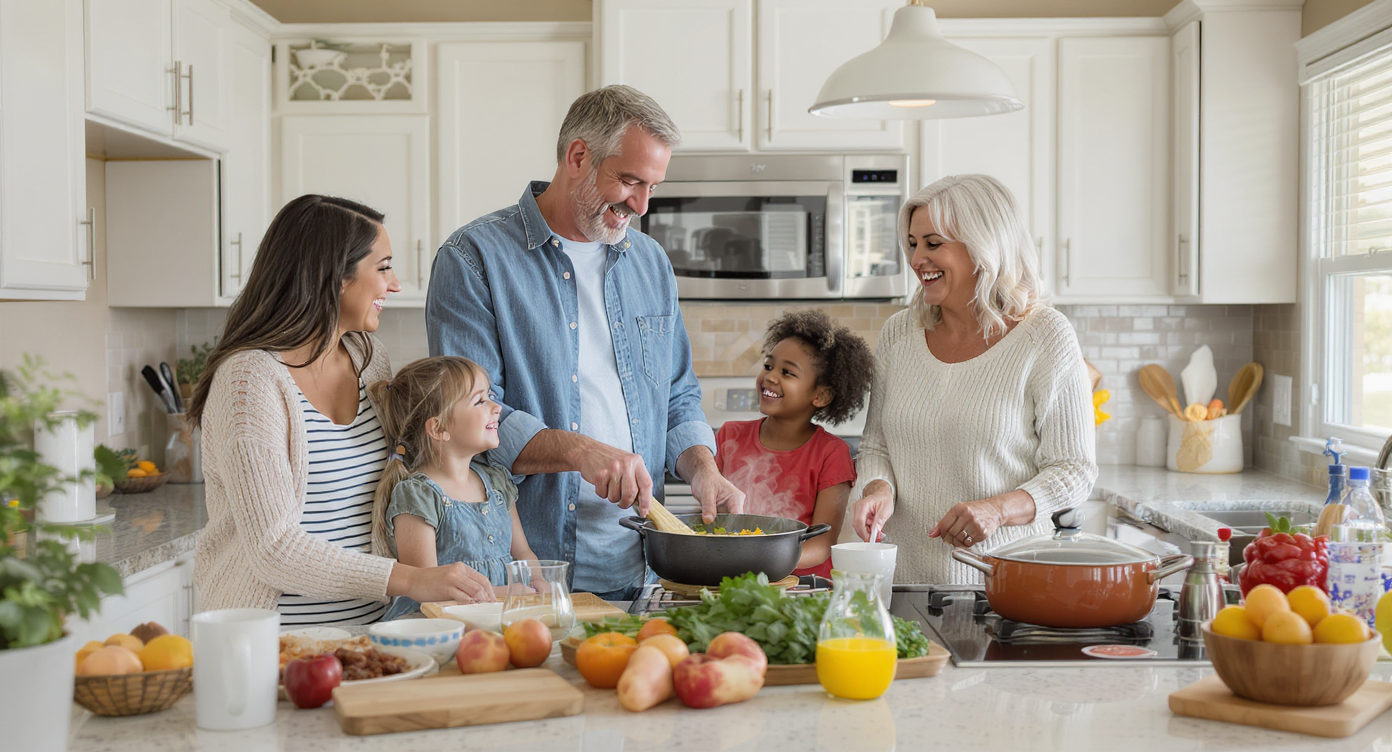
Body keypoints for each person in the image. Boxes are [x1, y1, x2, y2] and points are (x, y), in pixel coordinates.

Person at [426, 85, 745, 600]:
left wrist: (703, 469)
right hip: (526, 568)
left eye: (652, 187)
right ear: (578, 156)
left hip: (641, 567)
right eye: (629, 181)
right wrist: (581, 451)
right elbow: (468, 418)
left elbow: (677, 394)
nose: (640, 205)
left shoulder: (649, 262)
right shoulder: (474, 259)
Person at [189, 195, 497, 625]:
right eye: (384, 267)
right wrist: (410, 579)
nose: (394, 285)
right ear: (336, 277)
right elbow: (274, 549)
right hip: (276, 644)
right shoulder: (249, 382)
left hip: (372, 637)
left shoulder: (370, 360)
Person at [849, 174, 1097, 584]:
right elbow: (877, 444)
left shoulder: (1045, 336)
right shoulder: (899, 333)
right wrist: (878, 489)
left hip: (1003, 585)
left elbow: (1074, 472)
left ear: (983, 245)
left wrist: (996, 509)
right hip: (904, 581)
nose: (916, 260)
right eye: (913, 244)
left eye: (933, 243)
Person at [368, 356, 542, 620]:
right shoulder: (418, 495)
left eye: (490, 396)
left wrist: (539, 584)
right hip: (435, 629)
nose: (497, 408)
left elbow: (522, 553)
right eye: (480, 401)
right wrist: (506, 594)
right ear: (439, 428)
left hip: (498, 621)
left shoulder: (497, 483)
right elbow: (427, 589)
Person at [714, 309, 872, 578]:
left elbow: (821, 545)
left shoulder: (832, 454)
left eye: (787, 372)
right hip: (729, 577)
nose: (770, 377)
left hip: (801, 586)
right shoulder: (729, 436)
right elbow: (712, 522)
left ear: (821, 396)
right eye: (768, 366)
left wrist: (755, 561)